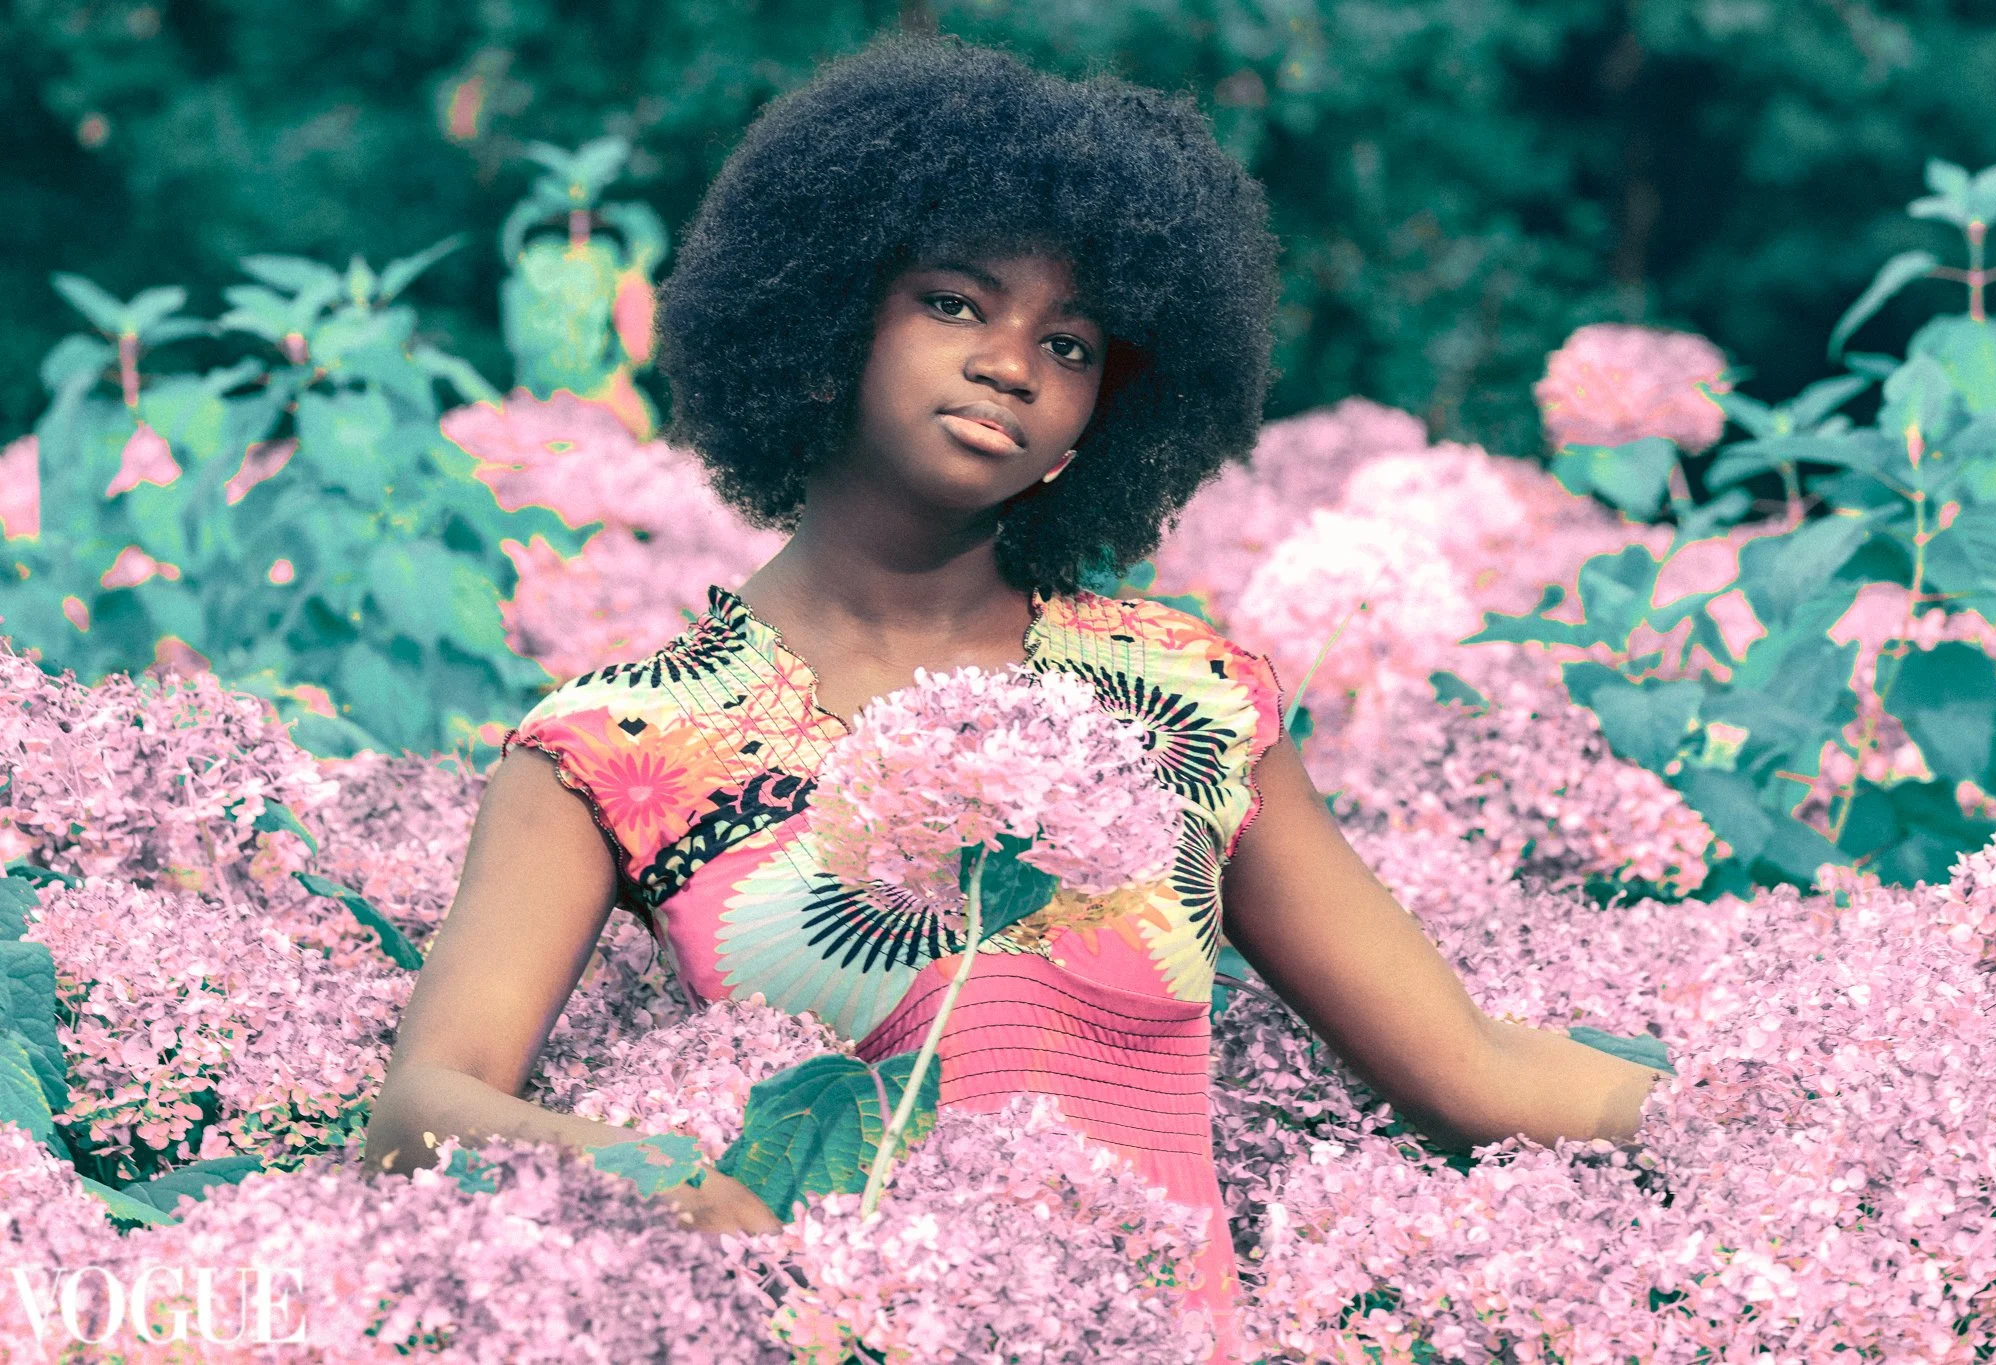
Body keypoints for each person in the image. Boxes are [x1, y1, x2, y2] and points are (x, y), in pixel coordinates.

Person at [361, 33, 1665, 1361]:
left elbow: (1472, 1073)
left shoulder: (1186, 702)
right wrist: (693, 1196)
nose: (1011, 364)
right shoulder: (617, 741)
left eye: (1073, 343)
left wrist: (1747, 1120)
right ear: (832, 309)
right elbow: (423, 1104)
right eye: (955, 303)